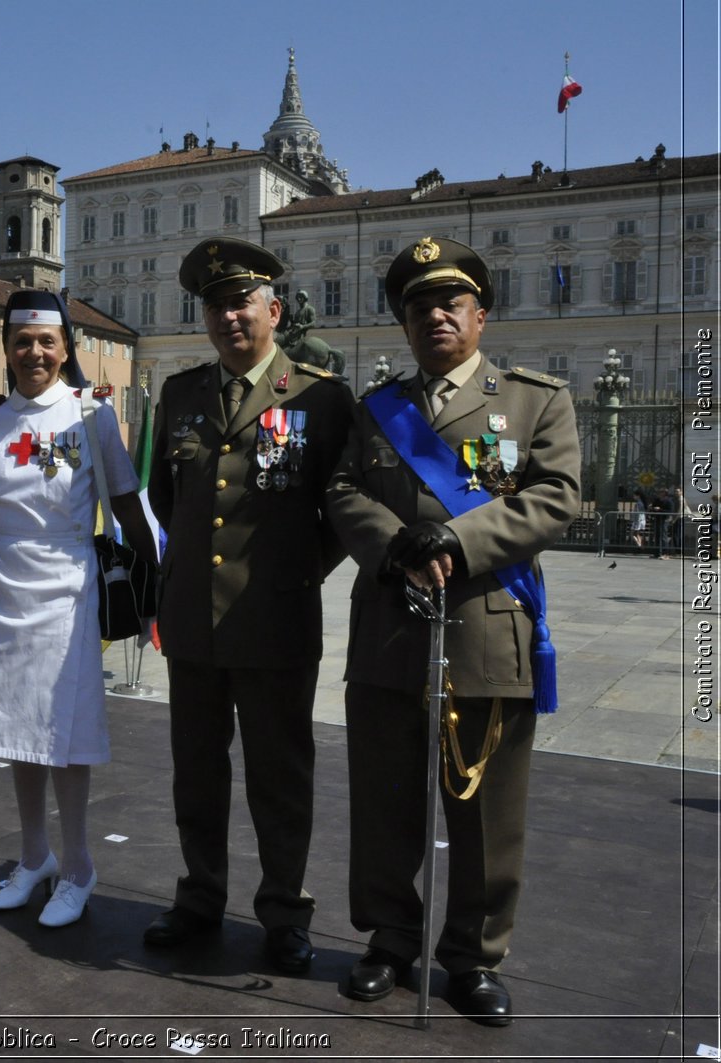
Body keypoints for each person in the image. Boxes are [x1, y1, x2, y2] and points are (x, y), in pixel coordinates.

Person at [326, 237, 580, 1025]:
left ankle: (473, 956)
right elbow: (339, 489)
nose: (434, 316)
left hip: (485, 632)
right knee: (384, 801)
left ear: (480, 314)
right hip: (391, 631)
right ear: (404, 322)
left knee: (486, 813)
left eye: (450, 303)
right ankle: (391, 939)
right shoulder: (377, 411)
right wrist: (392, 540)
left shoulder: (538, 400)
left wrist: (458, 542)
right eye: (418, 306)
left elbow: (557, 496)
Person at [144, 237, 353, 972]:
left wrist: (291, 577)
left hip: (277, 624)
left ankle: (284, 912)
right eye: (215, 304)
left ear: (274, 307)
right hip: (195, 623)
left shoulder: (322, 398)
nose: (229, 316)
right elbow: (168, 502)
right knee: (195, 773)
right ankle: (201, 897)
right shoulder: (180, 395)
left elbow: (342, 512)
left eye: (242, 301)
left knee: (280, 778)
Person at [0, 290, 154, 927]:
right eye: (22, 342)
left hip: (66, 587)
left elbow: (126, 502)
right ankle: (33, 855)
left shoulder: (90, 416)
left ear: (66, 347)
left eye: (46, 341)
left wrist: (153, 578)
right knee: (19, 729)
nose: (34, 353)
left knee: (64, 736)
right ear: (7, 349)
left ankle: (77, 867)